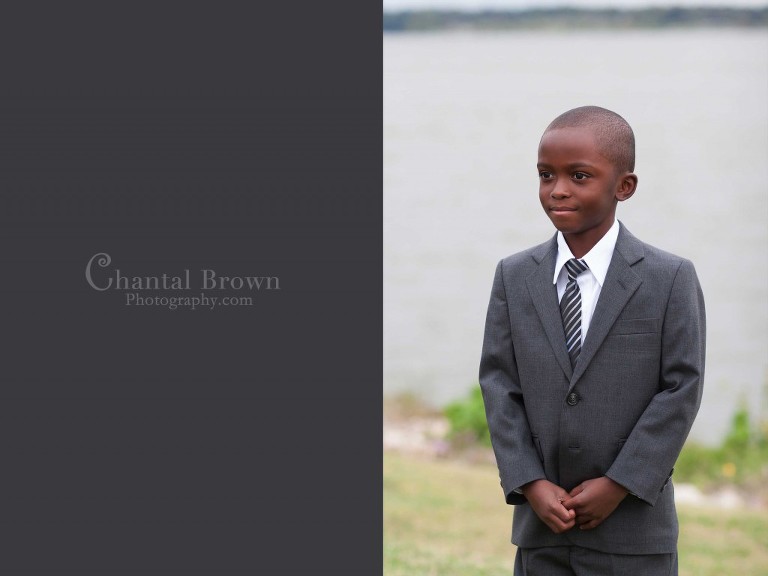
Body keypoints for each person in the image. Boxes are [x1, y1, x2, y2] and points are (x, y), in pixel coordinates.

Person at [478, 106, 705, 575]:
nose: (558, 189)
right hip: (543, 530)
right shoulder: (514, 276)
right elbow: (499, 386)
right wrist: (530, 483)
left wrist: (621, 483)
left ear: (624, 187)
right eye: (546, 175)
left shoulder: (670, 278)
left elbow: (681, 389)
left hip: (635, 534)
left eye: (579, 176)